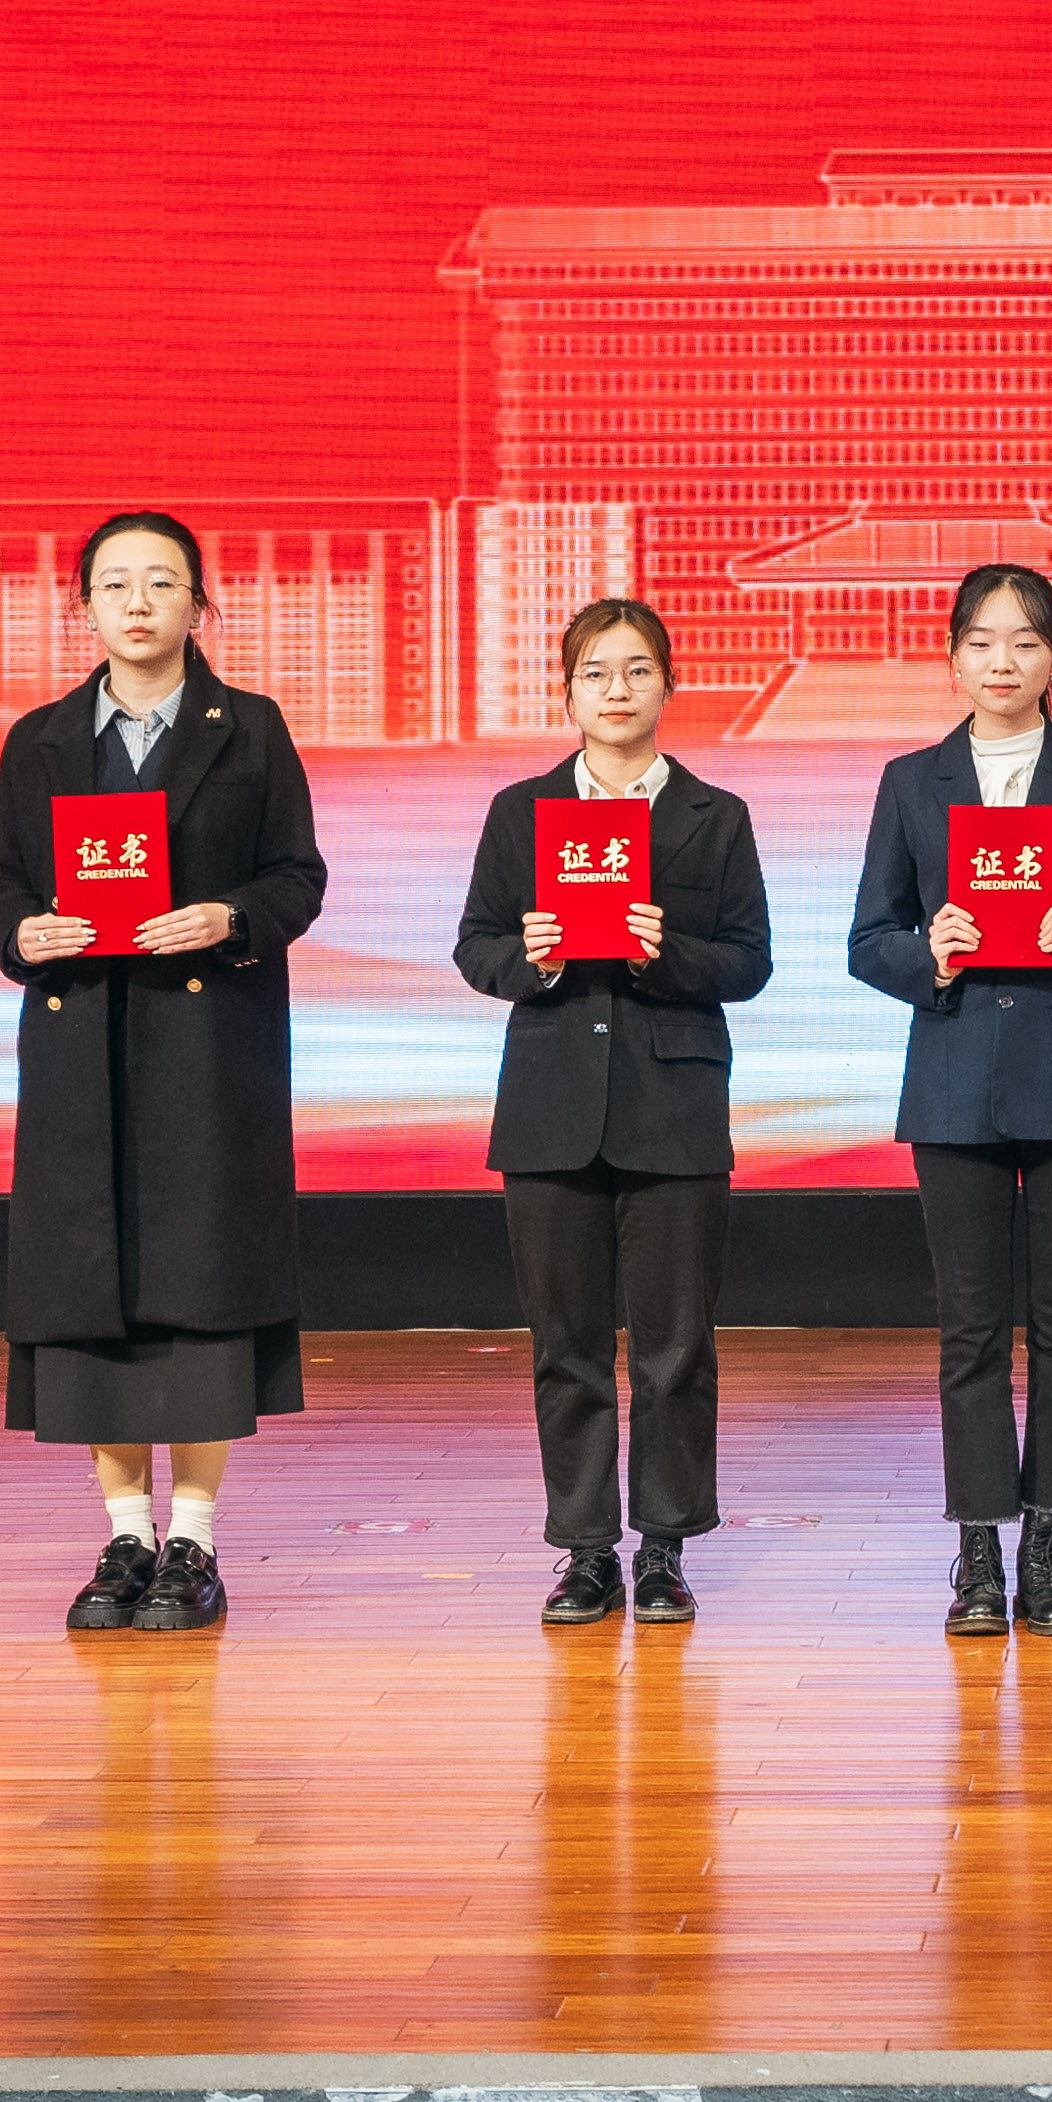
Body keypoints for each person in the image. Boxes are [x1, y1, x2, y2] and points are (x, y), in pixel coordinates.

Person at [0, 512, 329, 1636]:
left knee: (201, 1286)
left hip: (206, 1046)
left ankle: (196, 1539)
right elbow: (1, 880)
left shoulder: (251, 727)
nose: (138, 602)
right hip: (80, 1044)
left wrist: (231, 917)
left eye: (162, 582)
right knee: (93, 1286)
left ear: (198, 603)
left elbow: (298, 876)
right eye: (115, 583)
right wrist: (22, 932)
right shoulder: (38, 737)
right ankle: (124, 1533)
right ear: (83, 604)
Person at [845, 560, 1052, 1642]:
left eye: (1026, 641)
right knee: (972, 1327)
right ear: (952, 657)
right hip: (954, 1079)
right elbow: (867, 939)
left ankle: (1045, 1546)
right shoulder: (913, 782)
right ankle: (979, 1552)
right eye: (983, 641)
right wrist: (928, 954)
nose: (1003, 661)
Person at [448, 598, 772, 1629]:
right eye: (595, 672)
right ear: (568, 692)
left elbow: (750, 962)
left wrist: (663, 952)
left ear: (668, 684)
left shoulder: (715, 815)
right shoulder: (521, 811)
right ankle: (586, 1550)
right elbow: (476, 945)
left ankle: (665, 1547)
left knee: (676, 1345)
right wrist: (534, 956)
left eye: (636, 670)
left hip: (674, 1104)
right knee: (567, 1342)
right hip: (549, 1107)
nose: (617, 690)